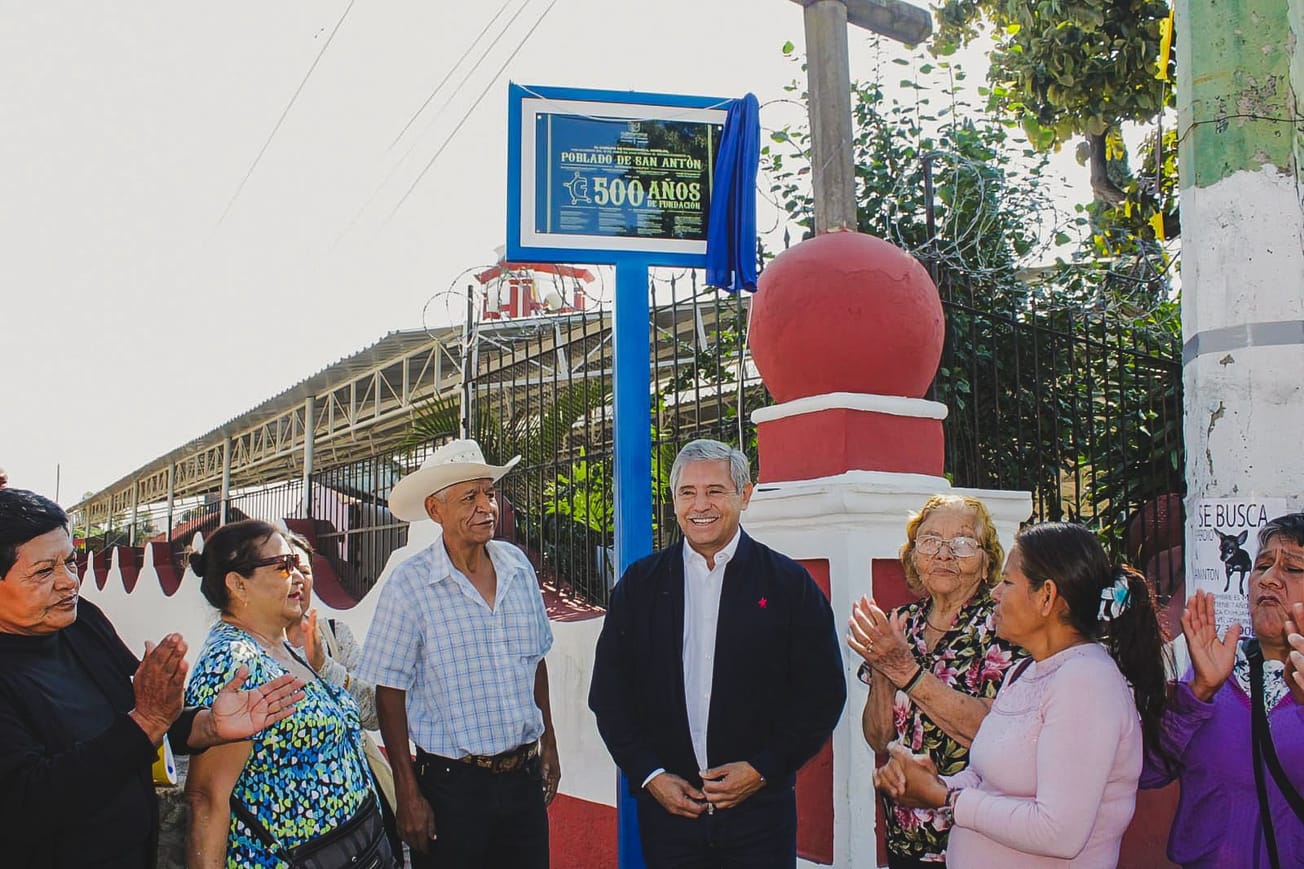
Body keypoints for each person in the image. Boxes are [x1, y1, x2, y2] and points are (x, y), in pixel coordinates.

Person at [0, 489, 303, 869]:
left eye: (70, 562)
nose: (68, 582)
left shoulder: (81, 624)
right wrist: (148, 721)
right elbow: (27, 804)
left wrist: (206, 725)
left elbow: (138, 718)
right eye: (44, 571)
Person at [589, 438, 846, 869]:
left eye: (715, 491)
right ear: (673, 502)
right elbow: (610, 695)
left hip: (760, 817)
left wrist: (764, 769)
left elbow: (822, 694)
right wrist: (650, 776)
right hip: (669, 819)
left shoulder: (788, 585)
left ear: (745, 496)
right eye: (687, 493)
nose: (700, 505)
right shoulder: (640, 586)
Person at [875, 521, 1170, 867]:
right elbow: (990, 778)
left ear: (1046, 596)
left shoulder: (1087, 683)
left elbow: (1059, 832)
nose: (995, 594)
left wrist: (946, 797)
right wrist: (930, 781)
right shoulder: (1026, 670)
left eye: (1008, 582)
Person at [356, 439, 559, 869]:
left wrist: (550, 744)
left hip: (522, 780)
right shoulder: (410, 585)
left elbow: (536, 659)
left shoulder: (518, 568)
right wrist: (407, 791)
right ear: (436, 510)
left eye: (489, 493)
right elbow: (388, 693)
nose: (487, 506)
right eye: (470, 496)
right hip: (452, 788)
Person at [184, 519, 391, 868]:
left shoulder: (282, 646)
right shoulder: (234, 662)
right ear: (237, 584)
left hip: (352, 848)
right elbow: (207, 797)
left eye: (297, 565)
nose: (298, 576)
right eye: (282, 566)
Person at [846, 494, 1024, 866]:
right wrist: (882, 671)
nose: (944, 554)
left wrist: (906, 672)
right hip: (906, 834)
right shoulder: (900, 624)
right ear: (913, 556)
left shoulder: (1003, 626)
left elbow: (994, 733)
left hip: (976, 835)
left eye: (961, 543)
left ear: (986, 559)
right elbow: (878, 739)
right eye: (929, 542)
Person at [1140, 512, 1304, 867]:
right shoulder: (1213, 670)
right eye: (1261, 566)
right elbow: (1147, 772)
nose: (1269, 580)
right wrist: (1197, 693)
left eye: (1292, 569)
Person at [283, 531, 403, 866]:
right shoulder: (253, 648)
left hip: (357, 805)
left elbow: (375, 713)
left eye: (304, 571)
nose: (296, 580)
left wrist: (325, 666)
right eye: (285, 568)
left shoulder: (336, 635)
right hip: (294, 819)